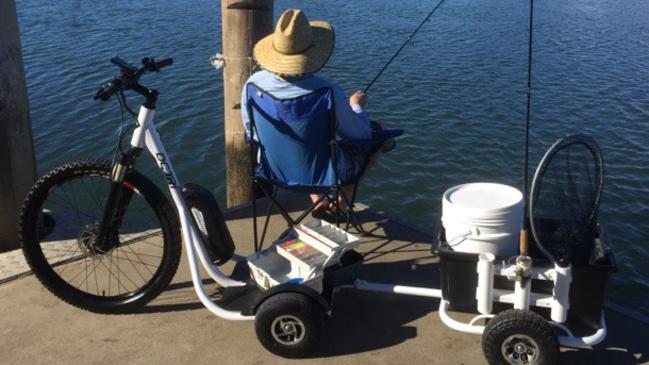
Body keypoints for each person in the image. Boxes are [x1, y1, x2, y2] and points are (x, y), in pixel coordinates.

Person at [240, 8, 387, 215]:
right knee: (376, 136)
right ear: (311, 51)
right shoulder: (326, 91)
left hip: (274, 168)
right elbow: (358, 135)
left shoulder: (253, 85)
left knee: (303, 148)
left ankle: (318, 201)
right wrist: (356, 105)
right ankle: (338, 206)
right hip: (323, 174)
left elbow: (252, 131)